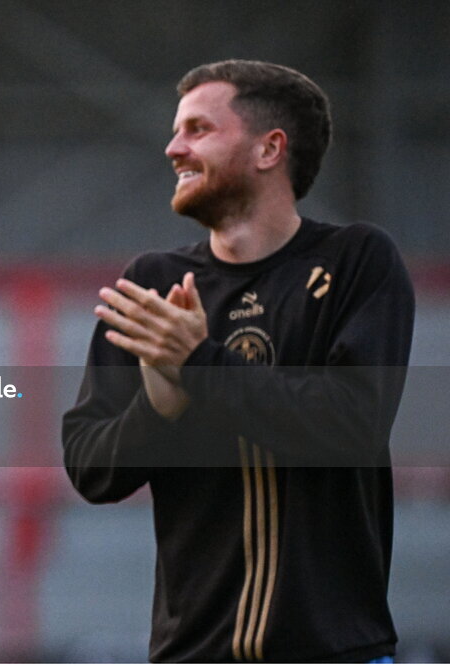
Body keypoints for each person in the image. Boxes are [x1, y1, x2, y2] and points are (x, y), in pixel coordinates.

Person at [62, 60, 414, 662]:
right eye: (177, 131)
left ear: (269, 148)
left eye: (198, 129)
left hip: (337, 653)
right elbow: (91, 469)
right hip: (190, 654)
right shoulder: (153, 284)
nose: (174, 148)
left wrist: (197, 362)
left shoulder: (358, 260)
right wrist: (160, 408)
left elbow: (353, 422)